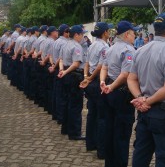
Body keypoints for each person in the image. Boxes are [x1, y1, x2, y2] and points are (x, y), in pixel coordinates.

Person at [127, 12, 165, 167]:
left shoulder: (141, 50)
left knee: (141, 155)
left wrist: (140, 98)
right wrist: (147, 101)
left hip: (145, 113)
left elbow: (131, 79)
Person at [100, 20, 139, 167]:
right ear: (127, 34)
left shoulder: (110, 48)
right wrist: (111, 87)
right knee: (122, 133)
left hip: (109, 91)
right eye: (133, 33)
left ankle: (109, 163)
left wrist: (103, 83)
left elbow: (104, 67)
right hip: (121, 94)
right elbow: (125, 75)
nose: (135, 35)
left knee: (110, 129)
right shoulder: (129, 50)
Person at [79, 22, 113, 159]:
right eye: (108, 30)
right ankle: (101, 150)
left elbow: (86, 63)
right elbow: (100, 66)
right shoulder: (105, 46)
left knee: (92, 114)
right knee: (102, 117)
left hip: (90, 82)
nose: (109, 32)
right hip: (98, 81)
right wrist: (91, 78)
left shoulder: (92, 44)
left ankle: (90, 143)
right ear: (105, 32)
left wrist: (86, 77)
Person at [58, 25, 87, 140]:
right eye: (82, 34)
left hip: (66, 75)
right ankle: (74, 132)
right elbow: (76, 64)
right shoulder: (76, 46)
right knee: (75, 105)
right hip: (74, 76)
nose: (83, 36)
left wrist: (62, 70)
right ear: (76, 35)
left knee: (66, 102)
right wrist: (65, 72)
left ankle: (65, 128)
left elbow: (60, 59)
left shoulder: (65, 44)